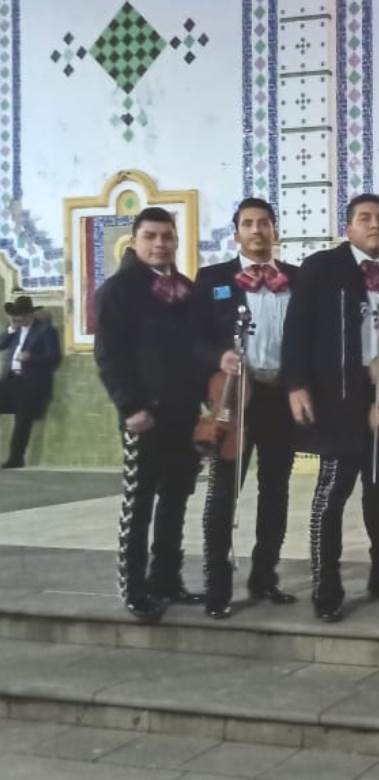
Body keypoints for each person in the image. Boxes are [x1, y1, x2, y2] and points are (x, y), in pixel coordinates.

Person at [282, 194, 379, 622]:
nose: (375, 224)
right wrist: (296, 385)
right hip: (337, 395)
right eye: (365, 218)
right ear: (349, 228)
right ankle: (327, 584)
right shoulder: (321, 268)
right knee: (333, 492)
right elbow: (297, 330)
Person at [188, 198, 299, 619]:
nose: (256, 231)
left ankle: (265, 577)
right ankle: (217, 586)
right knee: (222, 493)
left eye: (264, 223)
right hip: (233, 401)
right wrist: (219, 358)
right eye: (248, 224)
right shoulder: (213, 279)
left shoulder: (296, 279)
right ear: (236, 233)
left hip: (278, 398)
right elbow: (193, 339)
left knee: (276, 490)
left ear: (275, 230)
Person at [94, 207, 205, 621]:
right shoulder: (118, 290)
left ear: (177, 241)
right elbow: (109, 357)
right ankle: (135, 589)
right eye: (151, 236)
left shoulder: (184, 289)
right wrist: (130, 407)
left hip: (184, 414)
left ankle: (167, 579)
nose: (160, 244)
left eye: (167, 236)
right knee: (139, 502)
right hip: (144, 416)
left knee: (176, 498)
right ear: (135, 241)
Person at [0, 295, 60, 468]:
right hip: (11, 379)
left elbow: (54, 357)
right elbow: (1, 344)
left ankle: (16, 457)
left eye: (21, 316)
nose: (18, 319)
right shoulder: (15, 329)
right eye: (15, 316)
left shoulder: (46, 330)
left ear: (30, 315)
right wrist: (11, 328)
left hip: (30, 383)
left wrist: (31, 357)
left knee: (22, 421)